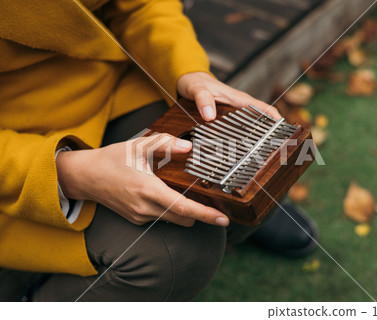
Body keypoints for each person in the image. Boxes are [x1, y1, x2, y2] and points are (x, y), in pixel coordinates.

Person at [0, 0, 318, 301]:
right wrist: (68, 173)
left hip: (113, 87)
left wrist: (188, 70)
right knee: (175, 253)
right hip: (18, 154)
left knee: (260, 158)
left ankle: (236, 217)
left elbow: (141, 5)